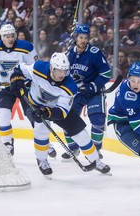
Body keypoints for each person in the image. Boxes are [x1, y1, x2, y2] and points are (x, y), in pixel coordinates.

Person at [9, 52, 110, 176]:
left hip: (56, 109)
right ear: (52, 68)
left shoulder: (70, 86)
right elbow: (19, 69)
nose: (62, 74)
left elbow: (62, 112)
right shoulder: (39, 67)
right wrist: (16, 79)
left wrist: (46, 112)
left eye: (65, 70)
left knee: (80, 133)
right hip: (35, 104)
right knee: (41, 130)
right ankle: (42, 160)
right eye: (59, 70)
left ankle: (95, 160)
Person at [0, 24, 56, 157]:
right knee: (2, 114)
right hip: (5, 86)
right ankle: (7, 143)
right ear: (1, 37)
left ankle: (45, 142)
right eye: (7, 36)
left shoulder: (26, 47)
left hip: (25, 86)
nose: (10, 39)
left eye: (12, 36)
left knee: (34, 115)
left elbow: (36, 67)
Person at [60, 24, 111, 161]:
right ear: (76, 37)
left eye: (85, 38)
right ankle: (74, 149)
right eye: (81, 37)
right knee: (66, 119)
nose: (83, 40)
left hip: (93, 92)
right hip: (77, 93)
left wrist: (93, 86)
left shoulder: (95, 53)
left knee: (98, 120)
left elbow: (106, 74)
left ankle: (95, 150)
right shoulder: (69, 53)